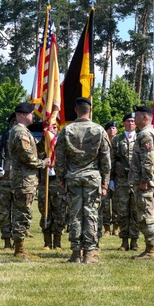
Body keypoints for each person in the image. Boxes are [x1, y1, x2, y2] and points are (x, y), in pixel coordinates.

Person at [55, 97, 112, 263]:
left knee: (74, 215)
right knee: (91, 214)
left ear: (76, 110)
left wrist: (61, 177)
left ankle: (75, 253)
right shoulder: (99, 130)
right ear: (90, 110)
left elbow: (59, 158)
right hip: (92, 177)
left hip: (72, 177)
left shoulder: (67, 130)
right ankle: (88, 253)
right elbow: (106, 160)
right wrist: (105, 182)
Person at [9, 102, 46, 260]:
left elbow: (35, 150)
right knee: (22, 213)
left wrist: (46, 138)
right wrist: (43, 163)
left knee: (24, 212)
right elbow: (28, 158)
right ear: (23, 115)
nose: (33, 116)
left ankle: (20, 247)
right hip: (24, 180)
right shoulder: (20, 133)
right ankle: (19, 249)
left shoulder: (23, 131)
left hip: (26, 180)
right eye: (31, 113)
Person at [130, 104, 154, 260]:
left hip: (145, 183)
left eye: (137, 116)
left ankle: (151, 250)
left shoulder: (146, 134)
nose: (134, 119)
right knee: (144, 214)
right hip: (144, 181)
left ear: (145, 117)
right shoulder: (144, 133)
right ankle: (150, 247)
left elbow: (148, 160)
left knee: (146, 215)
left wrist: (144, 180)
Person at [36, 118, 65, 251]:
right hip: (45, 182)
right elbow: (36, 154)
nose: (50, 130)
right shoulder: (42, 145)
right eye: (48, 128)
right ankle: (47, 242)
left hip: (58, 181)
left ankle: (57, 242)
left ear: (57, 129)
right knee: (45, 210)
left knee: (59, 212)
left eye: (53, 127)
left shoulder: (62, 144)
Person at [112, 113, 138, 250]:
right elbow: (111, 160)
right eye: (128, 121)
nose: (130, 123)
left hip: (136, 181)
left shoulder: (140, 138)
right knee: (122, 211)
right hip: (121, 180)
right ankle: (123, 241)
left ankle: (134, 241)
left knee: (135, 211)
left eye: (133, 121)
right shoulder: (117, 140)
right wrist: (110, 179)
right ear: (123, 123)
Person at [0, 113, 16, 250]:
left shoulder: (27, 139)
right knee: (5, 213)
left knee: (20, 213)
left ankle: (18, 242)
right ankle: (7, 241)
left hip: (20, 182)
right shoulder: (1, 140)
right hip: (4, 182)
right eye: (14, 122)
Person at [101, 120, 117, 235]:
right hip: (104, 178)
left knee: (117, 203)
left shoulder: (119, 142)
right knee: (105, 204)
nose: (112, 130)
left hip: (117, 177)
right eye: (110, 128)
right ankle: (106, 227)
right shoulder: (103, 142)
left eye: (114, 128)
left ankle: (116, 227)